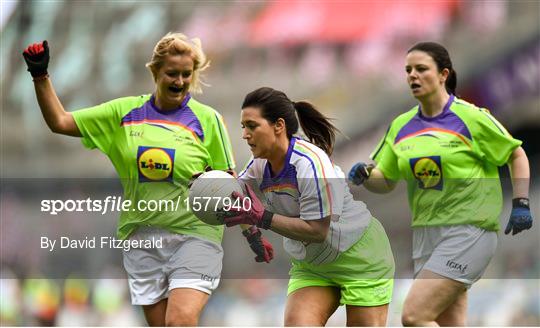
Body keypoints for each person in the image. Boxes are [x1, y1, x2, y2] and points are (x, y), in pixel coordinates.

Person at [22, 33, 273, 326]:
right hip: (142, 239)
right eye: (171, 73)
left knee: (179, 321)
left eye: (186, 74)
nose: (179, 81)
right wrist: (40, 75)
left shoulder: (207, 120)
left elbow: (232, 187)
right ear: (154, 71)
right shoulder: (123, 114)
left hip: (195, 237)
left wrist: (253, 235)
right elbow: (60, 122)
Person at [348, 42, 533, 326]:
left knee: (414, 316)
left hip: (469, 230)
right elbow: (385, 180)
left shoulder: (471, 117)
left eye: (421, 69)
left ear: (444, 74)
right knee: (447, 322)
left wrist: (521, 203)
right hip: (426, 234)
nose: (413, 76)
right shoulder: (401, 126)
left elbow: (515, 153)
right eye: (408, 70)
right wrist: (365, 176)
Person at [222, 87, 395, 326]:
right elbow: (236, 195)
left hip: (360, 259)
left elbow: (317, 231)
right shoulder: (259, 164)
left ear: (278, 126)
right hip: (313, 266)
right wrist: (212, 185)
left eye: (252, 126)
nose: (244, 134)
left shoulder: (310, 163)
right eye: (243, 127)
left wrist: (262, 218)